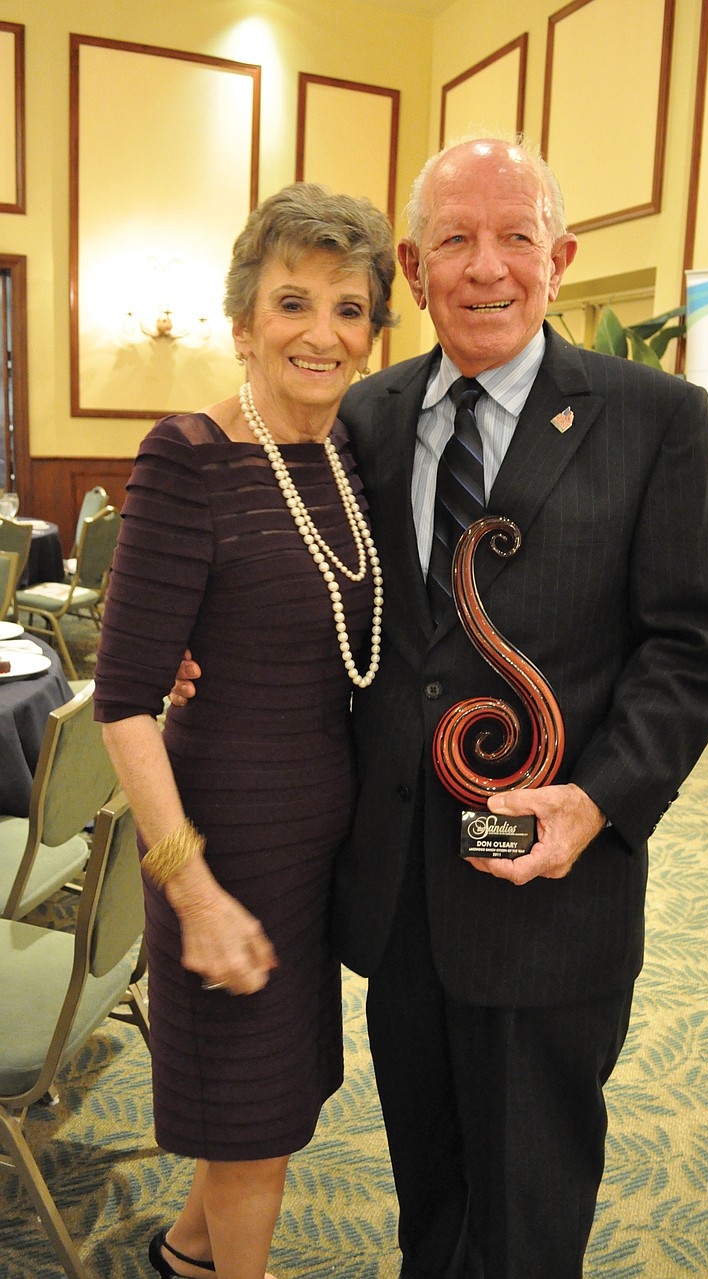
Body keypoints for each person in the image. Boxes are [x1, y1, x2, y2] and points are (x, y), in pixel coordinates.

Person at [174, 137, 708, 1278]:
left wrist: (597, 801)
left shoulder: (656, 417)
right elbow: (302, 568)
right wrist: (201, 637)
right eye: (455, 240)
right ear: (413, 265)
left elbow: (692, 649)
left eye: (516, 237)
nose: (487, 267)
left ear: (559, 259)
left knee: (529, 1209)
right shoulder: (363, 415)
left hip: (552, 891)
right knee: (427, 1189)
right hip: (398, 892)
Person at [95, 183, 395, 1279]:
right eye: (292, 302)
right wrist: (193, 888)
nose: (322, 332)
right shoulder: (189, 456)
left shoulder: (348, 453)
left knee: (269, 1101)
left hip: (312, 852)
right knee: (254, 1125)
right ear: (242, 322)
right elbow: (122, 700)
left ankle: (184, 1253)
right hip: (224, 845)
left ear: (373, 331)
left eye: (350, 308)